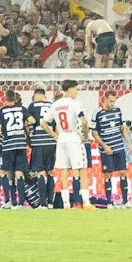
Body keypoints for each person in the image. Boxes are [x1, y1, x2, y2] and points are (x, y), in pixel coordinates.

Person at [50, 79, 90, 209]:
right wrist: (85, 136)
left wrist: (55, 135)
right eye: (76, 89)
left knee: (63, 171)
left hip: (61, 140)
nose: (77, 92)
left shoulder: (56, 104)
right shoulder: (75, 104)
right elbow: (83, 121)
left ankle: (66, 203)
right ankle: (85, 203)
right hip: (74, 139)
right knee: (81, 169)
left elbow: (43, 123)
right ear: (71, 89)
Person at [94, 93, 132, 207]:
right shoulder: (97, 113)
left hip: (119, 146)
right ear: (105, 99)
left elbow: (122, 127)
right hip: (106, 149)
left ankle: (125, 201)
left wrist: (128, 142)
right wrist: (104, 146)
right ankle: (109, 202)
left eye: (114, 101)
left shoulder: (118, 111)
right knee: (108, 174)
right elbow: (94, 133)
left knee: (123, 172)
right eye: (110, 101)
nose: (112, 104)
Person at [0, 90, 29, 209]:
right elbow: (32, 121)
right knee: (18, 173)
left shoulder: (1, 111)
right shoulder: (22, 110)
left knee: (4, 172)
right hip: (20, 144)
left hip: (7, 145)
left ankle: (10, 201)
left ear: (5, 98)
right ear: (15, 99)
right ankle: (20, 203)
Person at [25, 85, 57, 208]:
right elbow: (56, 125)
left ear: (34, 97)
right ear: (45, 96)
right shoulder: (51, 105)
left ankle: (42, 203)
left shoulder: (32, 106)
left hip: (38, 143)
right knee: (50, 172)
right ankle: (50, 202)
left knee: (40, 173)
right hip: (51, 143)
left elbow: (28, 123)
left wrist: (29, 138)